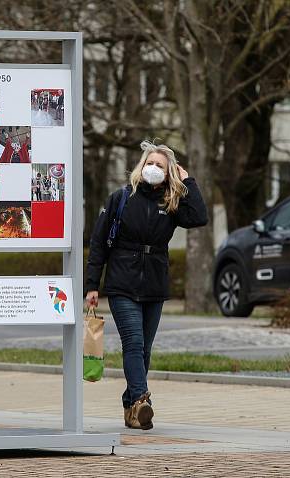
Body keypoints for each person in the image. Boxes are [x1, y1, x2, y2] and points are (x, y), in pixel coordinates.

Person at [85, 140, 208, 431]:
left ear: (169, 174)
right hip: (121, 282)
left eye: (161, 166)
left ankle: (130, 406)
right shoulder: (122, 197)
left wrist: (188, 180)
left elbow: (199, 217)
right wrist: (93, 285)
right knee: (134, 342)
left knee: (145, 350)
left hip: (154, 283)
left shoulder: (172, 202)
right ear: (142, 166)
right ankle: (142, 400)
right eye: (150, 163)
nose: (153, 168)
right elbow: (99, 242)